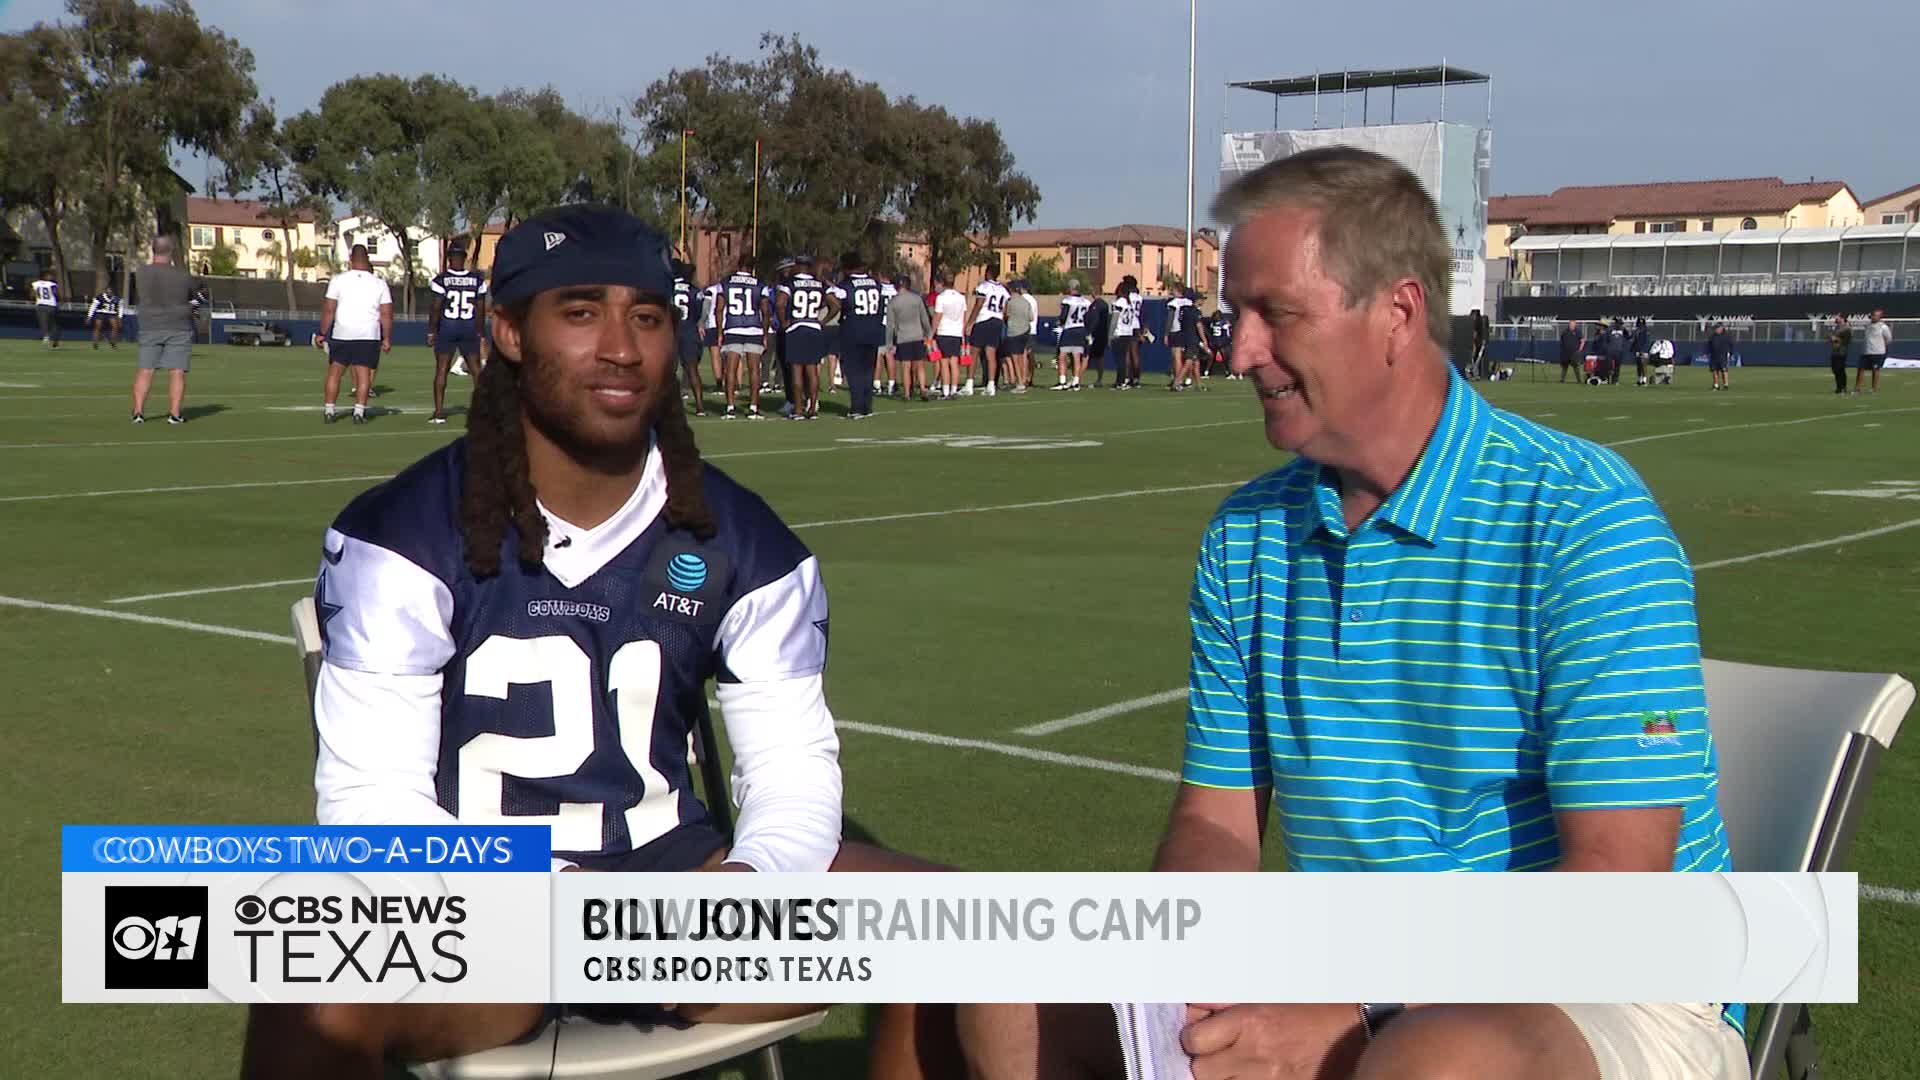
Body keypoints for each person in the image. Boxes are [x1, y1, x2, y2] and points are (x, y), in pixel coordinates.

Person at [959, 146, 1745, 1080]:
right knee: (1004, 981)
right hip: (1352, 961)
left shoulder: (1582, 519)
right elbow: (1217, 824)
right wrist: (1187, 966)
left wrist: (1365, 1013)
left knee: (1431, 1062)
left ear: (1398, 315)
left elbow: (1614, 888)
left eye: (1274, 315)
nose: (1240, 349)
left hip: (1607, 986)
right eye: (1234, 315)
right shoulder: (1246, 535)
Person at [240, 206, 951, 1080]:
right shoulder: (407, 533)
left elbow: (795, 773)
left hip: (684, 898)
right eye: (580, 312)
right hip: (487, 924)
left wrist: (746, 890)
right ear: (506, 330)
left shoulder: (740, 539)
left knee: (973, 929)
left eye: (647, 317)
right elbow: (369, 803)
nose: (621, 346)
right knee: (307, 981)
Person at [316, 244, 393, 426]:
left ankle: (329, 411)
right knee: (363, 375)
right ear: (368, 261)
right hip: (368, 335)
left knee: (335, 373)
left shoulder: (338, 280)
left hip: (342, 333)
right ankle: (359, 413)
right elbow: (386, 314)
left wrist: (322, 332)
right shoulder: (379, 283)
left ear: (351, 259)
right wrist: (387, 338)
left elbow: (329, 309)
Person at [130, 234, 197, 425]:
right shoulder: (182, 275)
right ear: (171, 251)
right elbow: (192, 296)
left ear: (153, 250)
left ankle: (138, 412)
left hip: (149, 324)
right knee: (177, 371)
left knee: (145, 370)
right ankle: (174, 414)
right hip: (178, 325)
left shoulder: (142, 272)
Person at [425, 242, 490, 424]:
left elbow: (436, 307)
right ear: (464, 258)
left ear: (449, 258)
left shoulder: (441, 280)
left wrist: (431, 331)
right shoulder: (477, 280)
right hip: (469, 327)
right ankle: (483, 411)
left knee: (442, 370)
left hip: (448, 327)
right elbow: (480, 307)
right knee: (476, 370)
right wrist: (480, 331)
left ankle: (439, 412)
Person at [778, 255, 837, 419]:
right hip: (813, 327)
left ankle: (797, 410)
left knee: (797, 371)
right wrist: (823, 321)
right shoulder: (820, 283)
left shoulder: (789, 282)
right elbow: (836, 304)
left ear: (798, 266)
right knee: (812, 371)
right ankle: (812, 408)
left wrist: (784, 323)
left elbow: (780, 304)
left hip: (796, 327)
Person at [717, 255, 769, 419]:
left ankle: (730, 407)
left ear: (739, 265)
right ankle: (753, 407)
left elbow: (719, 309)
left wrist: (719, 332)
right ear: (752, 267)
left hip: (733, 328)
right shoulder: (760, 284)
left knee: (731, 370)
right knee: (754, 370)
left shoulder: (725, 282)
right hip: (754, 329)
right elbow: (766, 312)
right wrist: (765, 333)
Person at [837, 251, 887, 419]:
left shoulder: (845, 285)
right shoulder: (875, 283)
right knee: (868, 370)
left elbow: (840, 304)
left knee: (854, 371)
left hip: (854, 330)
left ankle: (857, 407)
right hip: (874, 330)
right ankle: (867, 406)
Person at [964, 265, 1010, 396]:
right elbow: (1005, 310)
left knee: (974, 353)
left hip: (984, 320)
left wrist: (970, 322)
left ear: (988, 273)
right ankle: (991, 385)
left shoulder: (983, 286)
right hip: (997, 321)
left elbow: (979, 305)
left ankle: (969, 384)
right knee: (991, 354)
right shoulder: (1003, 290)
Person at [670, 260, 707, 416]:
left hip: (671, 331)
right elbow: (700, 311)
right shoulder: (694, 290)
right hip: (689, 330)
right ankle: (700, 407)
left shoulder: (667, 288)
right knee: (692, 370)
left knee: (668, 371)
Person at [888, 273, 932, 401]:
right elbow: (924, 318)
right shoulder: (917, 299)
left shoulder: (893, 302)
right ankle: (923, 389)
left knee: (906, 367)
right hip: (917, 335)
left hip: (903, 337)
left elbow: (890, 324)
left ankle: (907, 393)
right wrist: (928, 333)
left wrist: (890, 342)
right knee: (920, 365)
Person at [932, 273, 967, 398]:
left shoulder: (941, 298)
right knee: (954, 362)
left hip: (944, 332)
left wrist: (931, 333)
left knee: (944, 362)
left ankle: (946, 391)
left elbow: (937, 316)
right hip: (956, 333)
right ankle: (954, 389)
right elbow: (964, 316)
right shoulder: (961, 297)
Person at [1054, 280, 1092, 391]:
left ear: (1070, 288)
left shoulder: (1067, 301)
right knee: (1077, 357)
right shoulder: (1086, 301)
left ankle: (1062, 381)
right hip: (1081, 329)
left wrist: (1060, 322)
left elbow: (1064, 316)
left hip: (1070, 329)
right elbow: (1088, 317)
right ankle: (1076, 382)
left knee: (1062, 356)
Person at [1004, 278, 1037, 392]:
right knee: (1023, 357)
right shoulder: (1026, 302)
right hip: (1025, 331)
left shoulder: (1010, 302)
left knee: (1015, 358)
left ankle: (1020, 383)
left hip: (1014, 332)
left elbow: (1006, 316)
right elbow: (1031, 317)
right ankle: (1023, 379)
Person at [1164, 286, 1199, 390]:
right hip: (1186, 331)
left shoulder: (1173, 303)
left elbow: (1170, 319)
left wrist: (1166, 334)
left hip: (1175, 330)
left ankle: (1177, 380)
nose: (1171, 292)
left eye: (1173, 290)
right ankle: (1184, 379)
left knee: (1176, 357)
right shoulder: (1188, 302)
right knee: (1185, 357)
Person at [1107, 278, 1139, 389]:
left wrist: (1110, 335)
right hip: (1128, 333)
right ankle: (1123, 380)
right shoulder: (1129, 304)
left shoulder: (1119, 302)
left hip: (1119, 333)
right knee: (1123, 358)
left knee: (1120, 359)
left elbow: (1115, 319)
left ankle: (1120, 381)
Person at [1857, 309, 1892, 395]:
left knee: (1875, 370)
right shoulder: (1868, 325)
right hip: (1866, 351)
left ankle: (1874, 389)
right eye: (1872, 315)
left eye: (1875, 315)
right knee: (1860, 369)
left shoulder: (1883, 327)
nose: (1873, 317)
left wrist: (1881, 346)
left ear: (1879, 317)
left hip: (1877, 352)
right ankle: (1857, 389)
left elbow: (1889, 338)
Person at [31, 269, 60, 348]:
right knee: (53, 323)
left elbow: (32, 295)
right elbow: (56, 294)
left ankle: (46, 336)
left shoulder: (35, 284)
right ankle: (55, 342)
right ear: (45, 276)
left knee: (43, 322)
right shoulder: (52, 284)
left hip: (41, 305)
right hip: (52, 305)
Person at [1706, 322, 1735, 392]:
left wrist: (1730, 353)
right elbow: (1709, 345)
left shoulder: (1727, 336)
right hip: (1714, 356)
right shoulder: (1712, 336)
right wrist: (1707, 352)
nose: (1715, 330)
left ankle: (1726, 385)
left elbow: (1731, 345)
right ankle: (1716, 385)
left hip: (1723, 356)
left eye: (1717, 328)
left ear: (1721, 328)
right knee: (1714, 371)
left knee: (1724, 370)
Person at [1827, 315, 1852, 395]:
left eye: (1838, 317)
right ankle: (1839, 387)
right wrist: (1831, 338)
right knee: (1835, 370)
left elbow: (1846, 340)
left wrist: (1836, 339)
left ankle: (1842, 387)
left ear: (1842, 319)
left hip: (1841, 352)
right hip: (1835, 351)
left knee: (1840, 370)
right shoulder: (1837, 328)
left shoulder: (1847, 329)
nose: (1836, 319)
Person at [1558, 318, 1584, 383]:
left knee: (1576, 367)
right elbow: (1562, 341)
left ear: (1575, 325)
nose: (1571, 325)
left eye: (1572, 324)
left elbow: (1582, 341)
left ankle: (1579, 380)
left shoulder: (1578, 332)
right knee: (1564, 366)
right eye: (1570, 324)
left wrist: (1580, 349)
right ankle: (1562, 379)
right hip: (1565, 352)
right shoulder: (1565, 331)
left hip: (1574, 352)